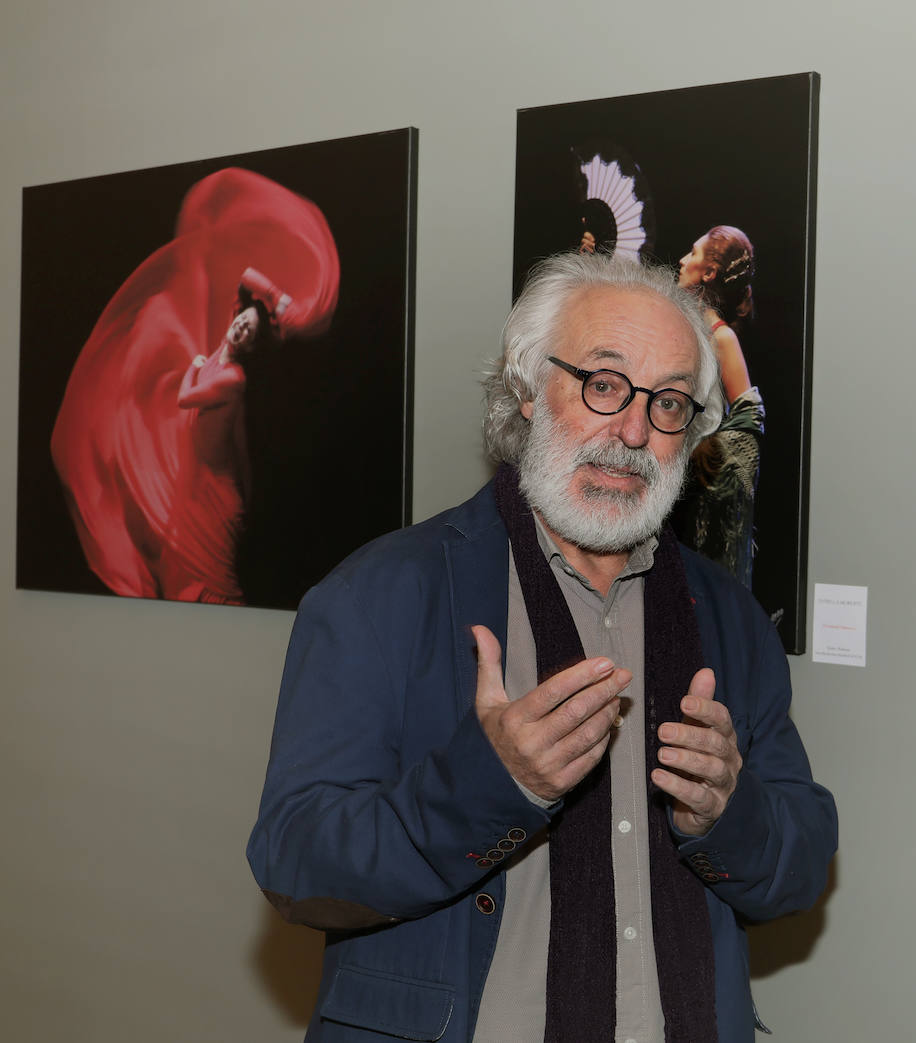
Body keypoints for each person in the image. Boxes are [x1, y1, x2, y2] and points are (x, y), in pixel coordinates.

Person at [247, 252, 837, 1043]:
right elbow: (295, 861)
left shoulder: (727, 615)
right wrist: (490, 784)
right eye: (603, 383)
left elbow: (800, 862)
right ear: (525, 392)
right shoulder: (381, 595)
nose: (633, 429)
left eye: (668, 403)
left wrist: (729, 813)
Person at [49, 167, 339, 603]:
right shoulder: (227, 340)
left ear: (251, 346)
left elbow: (186, 397)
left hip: (212, 499)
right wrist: (275, 301)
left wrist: (196, 363)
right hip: (200, 483)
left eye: (247, 330)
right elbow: (247, 277)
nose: (240, 326)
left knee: (215, 586)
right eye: (242, 320)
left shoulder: (231, 375)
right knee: (185, 581)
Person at [673, 225, 765, 584]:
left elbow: (749, 421)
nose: (682, 260)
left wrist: (707, 449)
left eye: (692, 254)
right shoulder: (678, 332)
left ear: (709, 272)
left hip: (703, 497)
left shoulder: (721, 338)